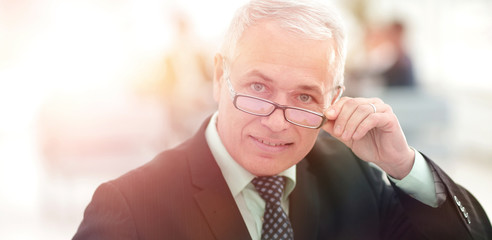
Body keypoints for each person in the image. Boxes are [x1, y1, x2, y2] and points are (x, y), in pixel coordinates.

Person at [73, 0, 492, 239]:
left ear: (334, 100)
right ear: (221, 77)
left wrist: (404, 167)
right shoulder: (130, 208)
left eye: (305, 96)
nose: (277, 122)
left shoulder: (353, 175)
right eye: (258, 89)